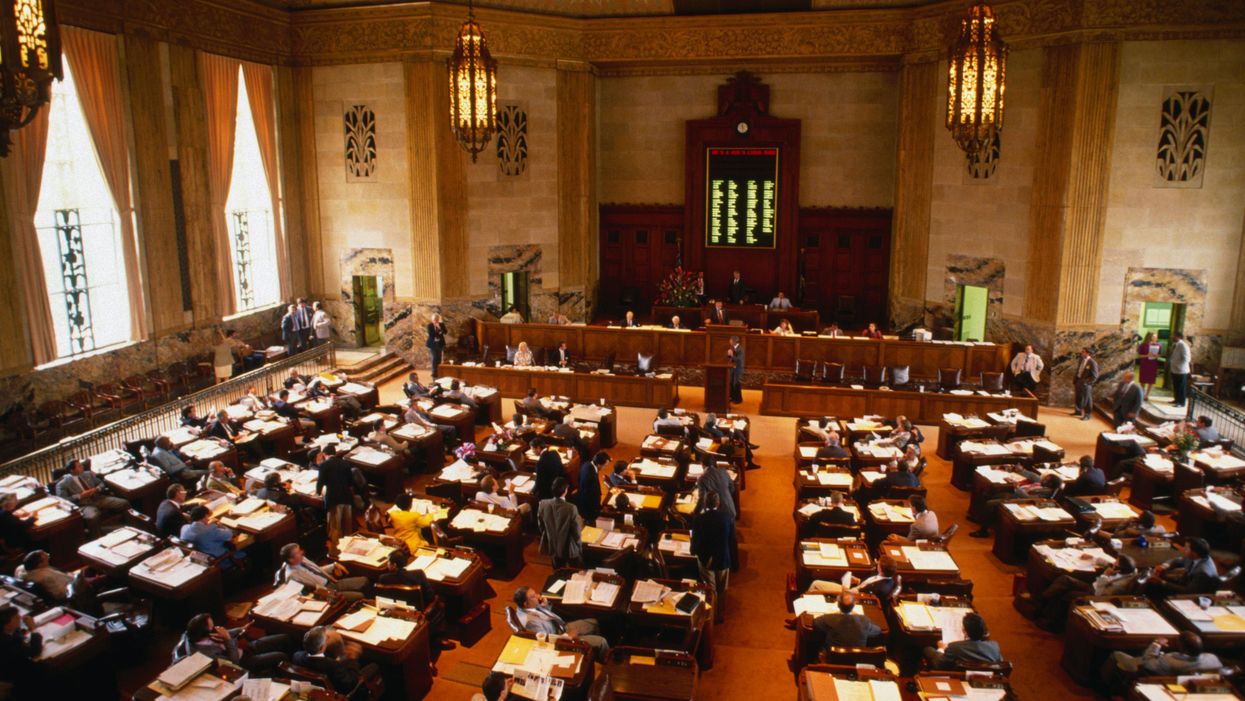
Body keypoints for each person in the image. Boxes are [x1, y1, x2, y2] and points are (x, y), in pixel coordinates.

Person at [1032, 555, 1144, 629]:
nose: (1112, 564)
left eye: (1115, 565)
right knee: (1064, 579)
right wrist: (1094, 558)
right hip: (1092, 586)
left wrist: (1105, 576)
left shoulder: (1119, 586)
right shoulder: (1129, 569)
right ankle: (1042, 600)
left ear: (1118, 570)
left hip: (1095, 595)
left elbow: (1100, 595)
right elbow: (1107, 562)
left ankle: (1051, 621)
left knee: (1066, 594)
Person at [1100, 631, 1221, 696]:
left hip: (1151, 677)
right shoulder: (1213, 658)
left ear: (1184, 649)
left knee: (1116, 654)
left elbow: (1145, 662)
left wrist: (1156, 644)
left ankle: (1104, 687)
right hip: (1188, 689)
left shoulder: (1169, 661)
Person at [175, 613, 290, 674]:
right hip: (242, 661)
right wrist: (228, 640)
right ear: (205, 633)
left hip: (243, 648)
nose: (215, 628)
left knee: (284, 638)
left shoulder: (196, 634)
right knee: (281, 656)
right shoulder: (204, 655)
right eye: (212, 627)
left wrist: (240, 629)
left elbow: (222, 632)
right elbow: (233, 663)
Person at [512, 586, 609, 659]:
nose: (538, 596)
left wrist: (544, 605)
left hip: (561, 627)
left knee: (594, 623)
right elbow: (547, 642)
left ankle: (592, 654)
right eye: (533, 596)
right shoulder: (531, 623)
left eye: (535, 593)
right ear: (525, 604)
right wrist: (568, 636)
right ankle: (604, 662)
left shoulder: (528, 607)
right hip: (561, 639)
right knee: (601, 642)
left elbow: (545, 615)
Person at [292, 626, 380, 696]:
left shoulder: (296, 656)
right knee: (374, 666)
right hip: (340, 693)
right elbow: (351, 683)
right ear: (322, 647)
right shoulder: (333, 666)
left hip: (312, 693)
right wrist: (352, 660)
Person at [969, 472, 1063, 538]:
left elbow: (1029, 499)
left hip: (1020, 502)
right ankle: (980, 518)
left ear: (1050, 483)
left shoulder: (1046, 492)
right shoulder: (1041, 484)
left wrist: (1017, 488)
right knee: (989, 494)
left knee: (990, 504)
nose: (1043, 479)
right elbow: (1033, 475)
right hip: (1015, 495)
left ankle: (983, 531)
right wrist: (1022, 471)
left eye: (1046, 479)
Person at [55, 458, 129, 535]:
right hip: (84, 505)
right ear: (72, 470)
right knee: (92, 517)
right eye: (79, 466)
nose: (82, 467)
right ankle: (97, 537)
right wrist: (80, 496)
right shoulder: (62, 484)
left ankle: (131, 527)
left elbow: (102, 484)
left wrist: (97, 489)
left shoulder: (88, 474)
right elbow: (63, 501)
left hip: (98, 499)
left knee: (124, 503)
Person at [692, 491, 733, 623]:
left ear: (705, 503)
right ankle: (720, 615)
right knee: (722, 588)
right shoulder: (727, 518)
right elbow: (731, 540)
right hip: (723, 557)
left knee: (711, 589)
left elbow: (696, 543)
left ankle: (712, 617)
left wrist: (694, 551)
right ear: (718, 503)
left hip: (706, 559)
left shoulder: (699, 519)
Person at [278, 543, 371, 600]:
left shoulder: (301, 559)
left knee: (364, 580)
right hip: (326, 593)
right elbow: (302, 595)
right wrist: (329, 595)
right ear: (291, 559)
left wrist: (333, 565)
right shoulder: (291, 576)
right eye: (298, 552)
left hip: (331, 582)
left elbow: (317, 570)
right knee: (359, 596)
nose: (302, 552)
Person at [923, 612, 1002, 670]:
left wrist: (941, 649)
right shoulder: (994, 646)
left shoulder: (954, 647)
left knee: (928, 649)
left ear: (965, 631)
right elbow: (999, 663)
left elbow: (939, 664)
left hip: (955, 677)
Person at [1144, 537, 1218, 596]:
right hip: (1185, 583)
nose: (1183, 549)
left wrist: (1162, 582)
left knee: (1152, 587)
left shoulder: (1202, 572)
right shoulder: (1197, 557)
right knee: (1155, 579)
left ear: (1194, 552)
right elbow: (1178, 560)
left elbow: (1189, 592)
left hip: (1191, 595)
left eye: (1186, 547)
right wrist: (1165, 565)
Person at [811, 591, 882, 651]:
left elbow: (815, 623)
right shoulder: (864, 620)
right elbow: (878, 630)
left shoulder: (829, 618)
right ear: (854, 605)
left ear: (838, 605)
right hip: (856, 659)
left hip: (833, 658)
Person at [316, 445, 357, 545]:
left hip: (334, 497)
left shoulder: (324, 465)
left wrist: (318, 493)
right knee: (347, 523)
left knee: (335, 525)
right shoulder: (345, 463)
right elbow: (351, 482)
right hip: (346, 496)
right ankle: (348, 544)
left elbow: (320, 482)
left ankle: (336, 547)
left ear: (324, 454)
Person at [537, 478, 582, 568]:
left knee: (558, 573)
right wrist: (579, 545)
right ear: (565, 491)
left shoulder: (542, 504)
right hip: (569, 547)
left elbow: (541, 526)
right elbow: (576, 531)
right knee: (576, 572)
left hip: (553, 545)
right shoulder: (571, 508)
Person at [0, 606, 44, 696]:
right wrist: (33, 628)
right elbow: (35, 651)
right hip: (14, 676)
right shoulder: (6, 642)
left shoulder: (6, 631)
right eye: (16, 617)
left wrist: (22, 627)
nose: (20, 618)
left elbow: (17, 635)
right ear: (7, 624)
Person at [577, 452, 606, 521]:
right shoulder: (590, 474)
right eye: (604, 465)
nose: (604, 467)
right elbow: (592, 494)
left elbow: (578, 479)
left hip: (583, 499)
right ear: (599, 465)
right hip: (589, 506)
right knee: (591, 521)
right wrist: (599, 507)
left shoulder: (586, 464)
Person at [1072, 347, 1099, 421]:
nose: (1081, 353)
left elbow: (1095, 376)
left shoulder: (1092, 363)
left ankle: (1087, 415)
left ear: (1088, 353)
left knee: (1087, 400)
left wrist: (1087, 383)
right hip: (1078, 381)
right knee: (1078, 397)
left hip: (1086, 384)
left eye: (1083, 352)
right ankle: (1078, 411)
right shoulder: (1081, 360)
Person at [1170, 332, 1191, 408]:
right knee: (1176, 386)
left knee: (1181, 387)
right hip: (1174, 369)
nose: (1172, 337)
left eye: (1174, 336)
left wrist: (1179, 365)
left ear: (1178, 337)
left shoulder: (1183, 345)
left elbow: (1187, 358)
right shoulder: (1175, 345)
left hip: (1181, 370)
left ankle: (1181, 402)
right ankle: (1176, 399)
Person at [1137, 332, 1161, 398]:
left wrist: (1157, 355)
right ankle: (1142, 393)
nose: (1155, 338)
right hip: (1145, 364)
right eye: (1153, 336)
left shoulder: (1158, 345)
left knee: (1151, 380)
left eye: (1156, 337)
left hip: (1153, 364)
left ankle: (1147, 395)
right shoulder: (1143, 345)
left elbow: (1159, 354)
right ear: (1149, 337)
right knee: (1143, 379)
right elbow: (1140, 356)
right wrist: (1147, 355)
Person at [728, 335, 744, 404]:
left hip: (738, 368)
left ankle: (738, 399)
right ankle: (732, 397)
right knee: (731, 383)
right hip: (733, 368)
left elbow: (739, 359)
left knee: (736, 383)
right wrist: (729, 355)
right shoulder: (733, 348)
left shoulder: (740, 349)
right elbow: (731, 358)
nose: (729, 341)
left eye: (730, 340)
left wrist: (732, 355)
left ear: (734, 341)